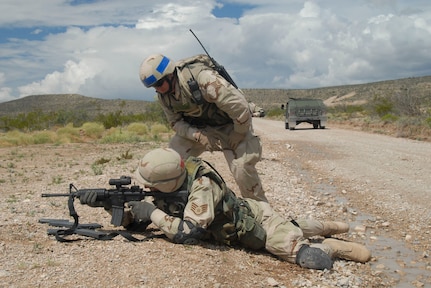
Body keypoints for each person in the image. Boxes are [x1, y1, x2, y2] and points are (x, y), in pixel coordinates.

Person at [80, 148, 371, 270]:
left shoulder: (202, 184)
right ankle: (326, 225)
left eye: (152, 187)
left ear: (168, 183)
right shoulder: (166, 181)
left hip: (257, 224)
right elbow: (135, 223)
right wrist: (110, 206)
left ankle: (332, 245)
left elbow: (187, 232)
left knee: (312, 259)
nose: (149, 192)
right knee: (296, 224)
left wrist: (151, 212)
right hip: (241, 220)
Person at [138, 54, 267, 202]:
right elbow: (175, 123)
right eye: (154, 87)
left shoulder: (203, 79)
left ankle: (261, 211)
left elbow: (240, 107)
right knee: (170, 159)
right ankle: (167, 200)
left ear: (169, 75)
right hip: (202, 129)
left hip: (232, 126)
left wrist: (239, 133)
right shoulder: (164, 97)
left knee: (241, 168)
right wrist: (197, 135)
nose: (158, 90)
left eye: (159, 84)